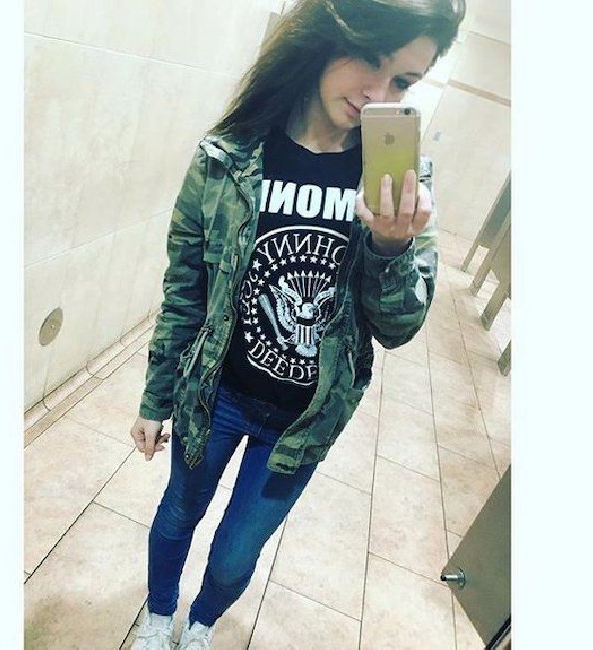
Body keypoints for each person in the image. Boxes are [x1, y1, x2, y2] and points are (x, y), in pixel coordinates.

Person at [129, 1, 465, 647]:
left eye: (402, 82)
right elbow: (184, 291)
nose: (378, 94)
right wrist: (154, 396)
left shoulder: (398, 182)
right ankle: (159, 613)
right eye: (369, 59)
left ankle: (200, 624)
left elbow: (397, 328)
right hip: (215, 396)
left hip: (304, 418)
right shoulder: (228, 157)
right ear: (326, 35)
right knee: (177, 515)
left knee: (236, 553)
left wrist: (391, 246)